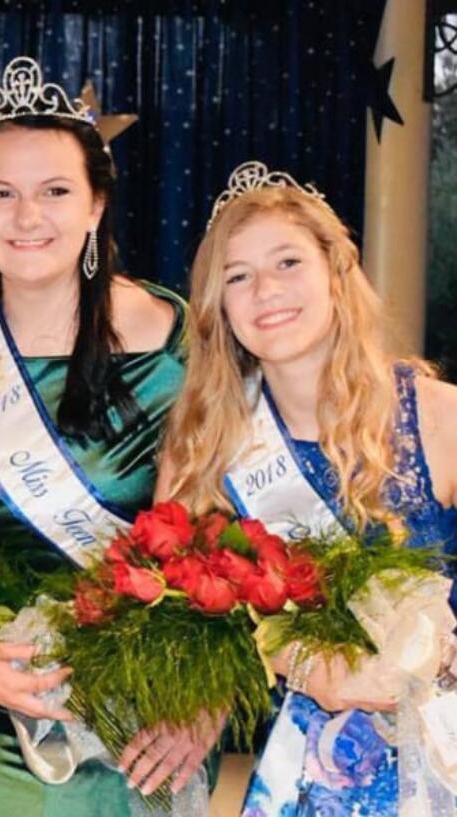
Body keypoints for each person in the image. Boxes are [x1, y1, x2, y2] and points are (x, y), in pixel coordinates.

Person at [0, 56, 208, 815]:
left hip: (138, 715)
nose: (26, 216)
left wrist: (207, 699)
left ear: (97, 206)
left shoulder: (178, 345)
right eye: (1, 193)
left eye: (55, 191)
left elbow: (221, 543)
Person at [157, 161, 457, 816]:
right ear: (219, 305)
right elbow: (180, 615)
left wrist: (433, 656)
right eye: (237, 276)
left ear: (336, 275)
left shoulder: (438, 416)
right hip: (313, 776)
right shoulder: (204, 450)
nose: (265, 289)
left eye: (288, 262)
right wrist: (293, 657)